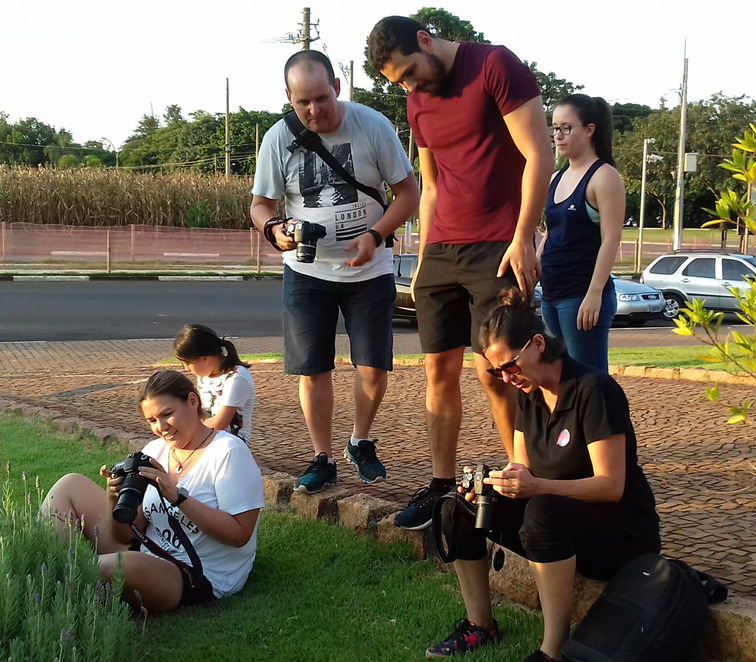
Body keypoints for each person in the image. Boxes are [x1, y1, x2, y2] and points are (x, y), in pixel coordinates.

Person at [367, 17, 553, 530]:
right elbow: (429, 182)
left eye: (409, 73)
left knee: (498, 373)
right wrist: (425, 253)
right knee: (437, 373)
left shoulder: (494, 65)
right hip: (442, 248)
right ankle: (441, 486)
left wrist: (523, 237)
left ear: (426, 40)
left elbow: (540, 153)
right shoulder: (415, 100)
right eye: (398, 82)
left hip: (497, 245)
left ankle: (525, 479)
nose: (409, 86)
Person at [426, 287, 661, 662]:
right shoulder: (531, 397)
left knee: (542, 510)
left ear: (537, 344)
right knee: (460, 504)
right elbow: (523, 469)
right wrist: (493, 484)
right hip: (558, 517)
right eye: (496, 371)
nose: (505, 378)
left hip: (622, 534)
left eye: (510, 365)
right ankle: (479, 624)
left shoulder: (594, 391)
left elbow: (612, 486)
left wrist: (536, 486)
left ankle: (554, 654)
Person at [251, 50, 420, 493]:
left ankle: (360, 441)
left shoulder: (372, 125)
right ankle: (322, 456)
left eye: (322, 98)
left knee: (373, 366)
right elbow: (261, 205)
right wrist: (274, 230)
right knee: (314, 369)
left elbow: (408, 193)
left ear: (337, 88)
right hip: (306, 272)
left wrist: (377, 235)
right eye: (302, 102)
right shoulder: (276, 139)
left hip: (371, 269)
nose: (314, 110)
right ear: (288, 97)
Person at [40, 370, 264, 613]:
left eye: (167, 414)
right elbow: (125, 535)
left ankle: (46, 591)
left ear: (192, 401)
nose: (161, 427)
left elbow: (240, 534)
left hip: (193, 573)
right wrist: (113, 498)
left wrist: (178, 497)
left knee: (108, 567)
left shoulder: (229, 453)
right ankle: (44, 571)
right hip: (147, 550)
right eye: (152, 420)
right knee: (68, 485)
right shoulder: (155, 450)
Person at [539, 94, 625, 373]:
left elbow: (611, 239)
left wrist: (594, 293)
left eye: (567, 128)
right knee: (561, 379)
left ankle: (606, 419)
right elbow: (551, 234)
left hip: (581, 297)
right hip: (551, 295)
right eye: (555, 128)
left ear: (589, 130)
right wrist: (532, 270)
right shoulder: (556, 178)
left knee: (590, 383)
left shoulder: (604, 176)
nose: (559, 136)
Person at [173, 323, 256, 445]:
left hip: (231, 445)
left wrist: (188, 426)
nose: (186, 369)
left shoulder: (237, 378)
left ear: (204, 359)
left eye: (187, 363)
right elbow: (201, 411)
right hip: (205, 438)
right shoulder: (204, 375)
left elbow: (219, 423)